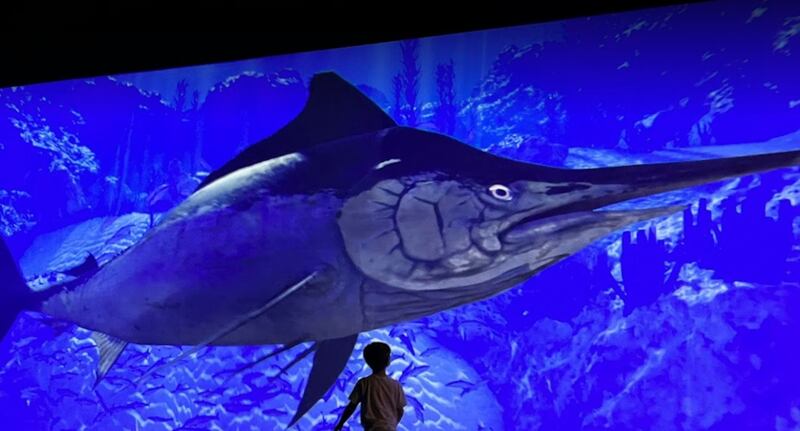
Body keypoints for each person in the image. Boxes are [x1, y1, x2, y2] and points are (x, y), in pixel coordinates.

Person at [335, 342, 406, 431]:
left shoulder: (364, 383)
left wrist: (341, 423)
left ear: (368, 362)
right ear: (388, 361)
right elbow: (400, 410)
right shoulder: (396, 385)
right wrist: (392, 425)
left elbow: (351, 406)